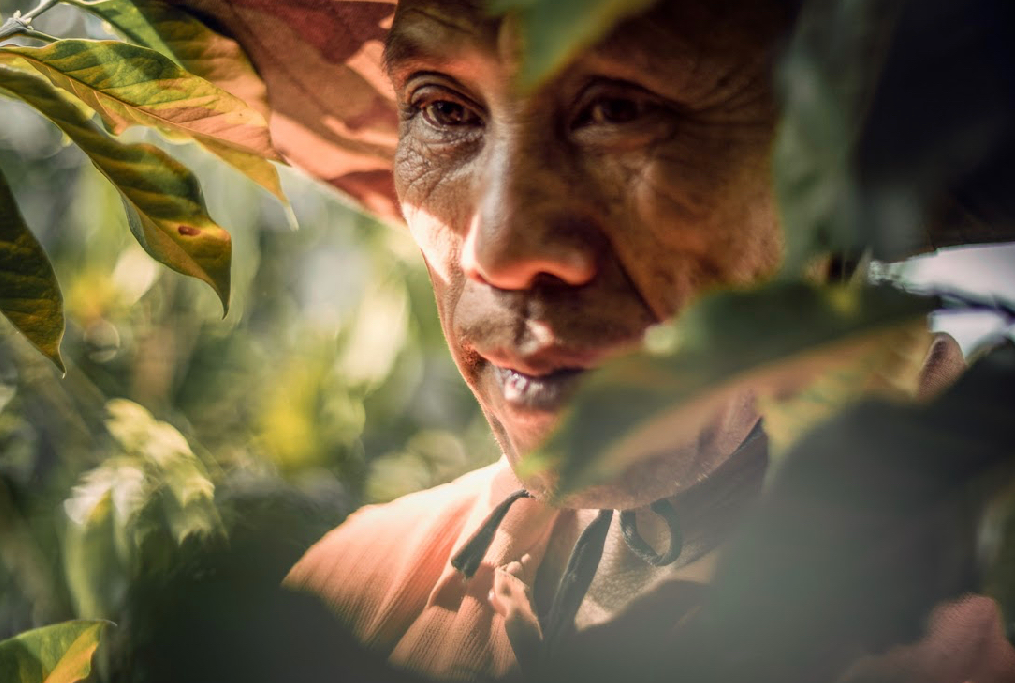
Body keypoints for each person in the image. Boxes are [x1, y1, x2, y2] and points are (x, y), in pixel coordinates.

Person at [220, 0, 1015, 680]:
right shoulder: (361, 592)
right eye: (444, 111)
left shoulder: (986, 628)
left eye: (618, 111)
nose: (496, 249)